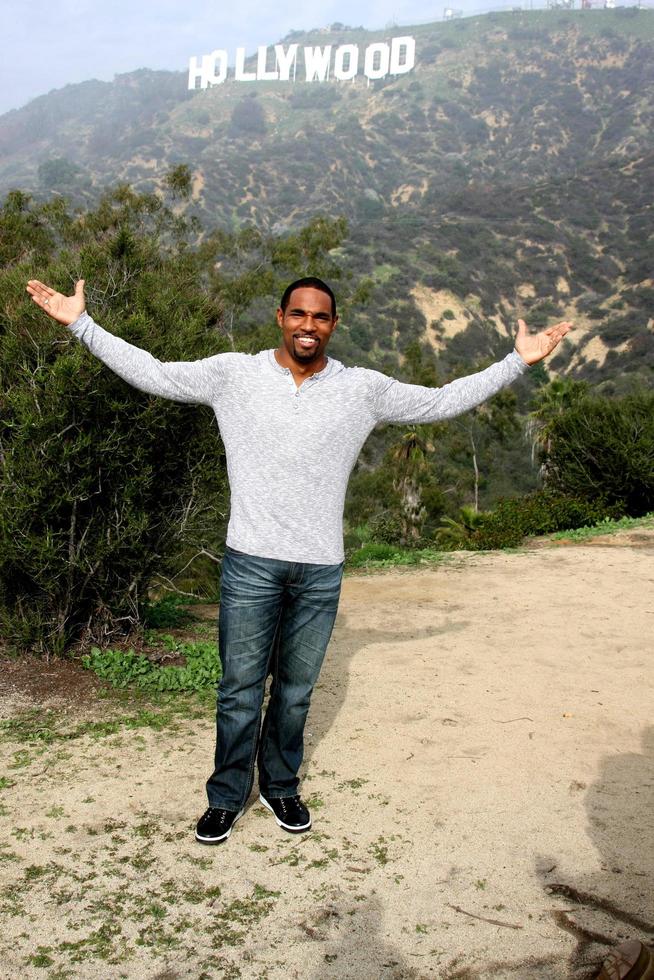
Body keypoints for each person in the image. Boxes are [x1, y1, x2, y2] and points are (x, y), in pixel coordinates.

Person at [26, 275, 572, 845]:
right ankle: (226, 797)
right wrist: (82, 326)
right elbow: (155, 373)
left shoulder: (363, 389)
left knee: (294, 690)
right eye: (299, 315)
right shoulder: (233, 374)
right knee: (239, 689)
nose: (308, 325)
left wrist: (517, 361)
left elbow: (440, 401)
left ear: (333, 325)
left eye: (320, 317)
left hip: (319, 570)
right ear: (280, 317)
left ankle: (281, 786)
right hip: (250, 564)